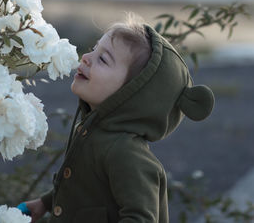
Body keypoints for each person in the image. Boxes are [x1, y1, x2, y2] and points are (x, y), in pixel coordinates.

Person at [21, 14, 215, 223]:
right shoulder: (93, 131)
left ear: (132, 94)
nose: (86, 57)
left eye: (103, 59)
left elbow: (141, 218)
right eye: (94, 49)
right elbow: (85, 188)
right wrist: (45, 203)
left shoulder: (126, 154)